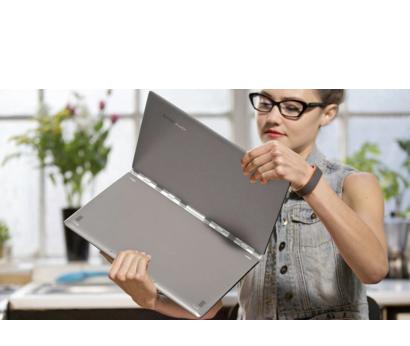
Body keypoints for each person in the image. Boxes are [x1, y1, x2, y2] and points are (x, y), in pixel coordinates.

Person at [103, 89, 389, 320]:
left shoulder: (353, 184)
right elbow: (207, 306)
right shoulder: (232, 190)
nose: (272, 117)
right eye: (265, 103)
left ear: (327, 113)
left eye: (291, 107)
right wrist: (150, 299)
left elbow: (374, 269)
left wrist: (307, 180)